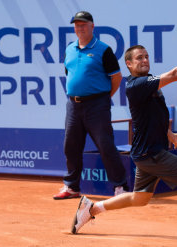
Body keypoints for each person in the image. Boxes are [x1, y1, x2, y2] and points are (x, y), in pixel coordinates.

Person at [71, 44, 177, 239]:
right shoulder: (138, 85)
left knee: (140, 198)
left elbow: (155, 113)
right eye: (139, 58)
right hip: (151, 153)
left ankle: (91, 208)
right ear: (129, 64)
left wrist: (168, 132)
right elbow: (174, 74)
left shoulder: (148, 82)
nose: (144, 60)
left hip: (145, 152)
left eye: (146, 56)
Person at [53, 11, 129, 200]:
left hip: (97, 105)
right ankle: (72, 187)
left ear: (92, 26)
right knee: (70, 146)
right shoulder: (70, 49)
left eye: (83, 24)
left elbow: (116, 78)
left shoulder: (103, 50)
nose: (80, 28)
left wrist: (102, 98)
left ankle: (120, 187)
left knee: (106, 146)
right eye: (77, 25)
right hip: (73, 105)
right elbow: (70, 74)